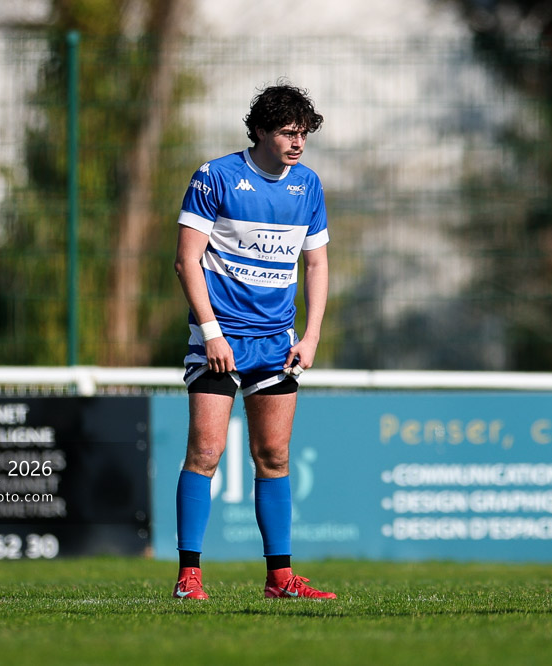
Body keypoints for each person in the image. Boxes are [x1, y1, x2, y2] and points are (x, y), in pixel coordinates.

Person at [171, 82, 335, 600]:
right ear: (260, 130)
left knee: (275, 457)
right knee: (206, 451)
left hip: (276, 343)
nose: (297, 143)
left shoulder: (307, 185)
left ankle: (280, 578)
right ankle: (188, 576)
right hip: (220, 339)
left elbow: (317, 263)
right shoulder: (216, 176)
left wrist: (310, 336)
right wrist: (212, 332)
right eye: (288, 132)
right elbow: (185, 261)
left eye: (303, 133)